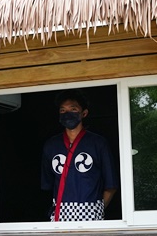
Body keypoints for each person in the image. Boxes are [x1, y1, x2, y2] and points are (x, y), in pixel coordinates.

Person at [41, 90, 117, 221]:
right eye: (63, 110)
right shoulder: (51, 145)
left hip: (91, 212)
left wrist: (96, 210)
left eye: (73, 109)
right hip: (61, 213)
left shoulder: (98, 143)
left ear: (84, 113)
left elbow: (111, 185)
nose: (67, 113)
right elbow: (47, 184)